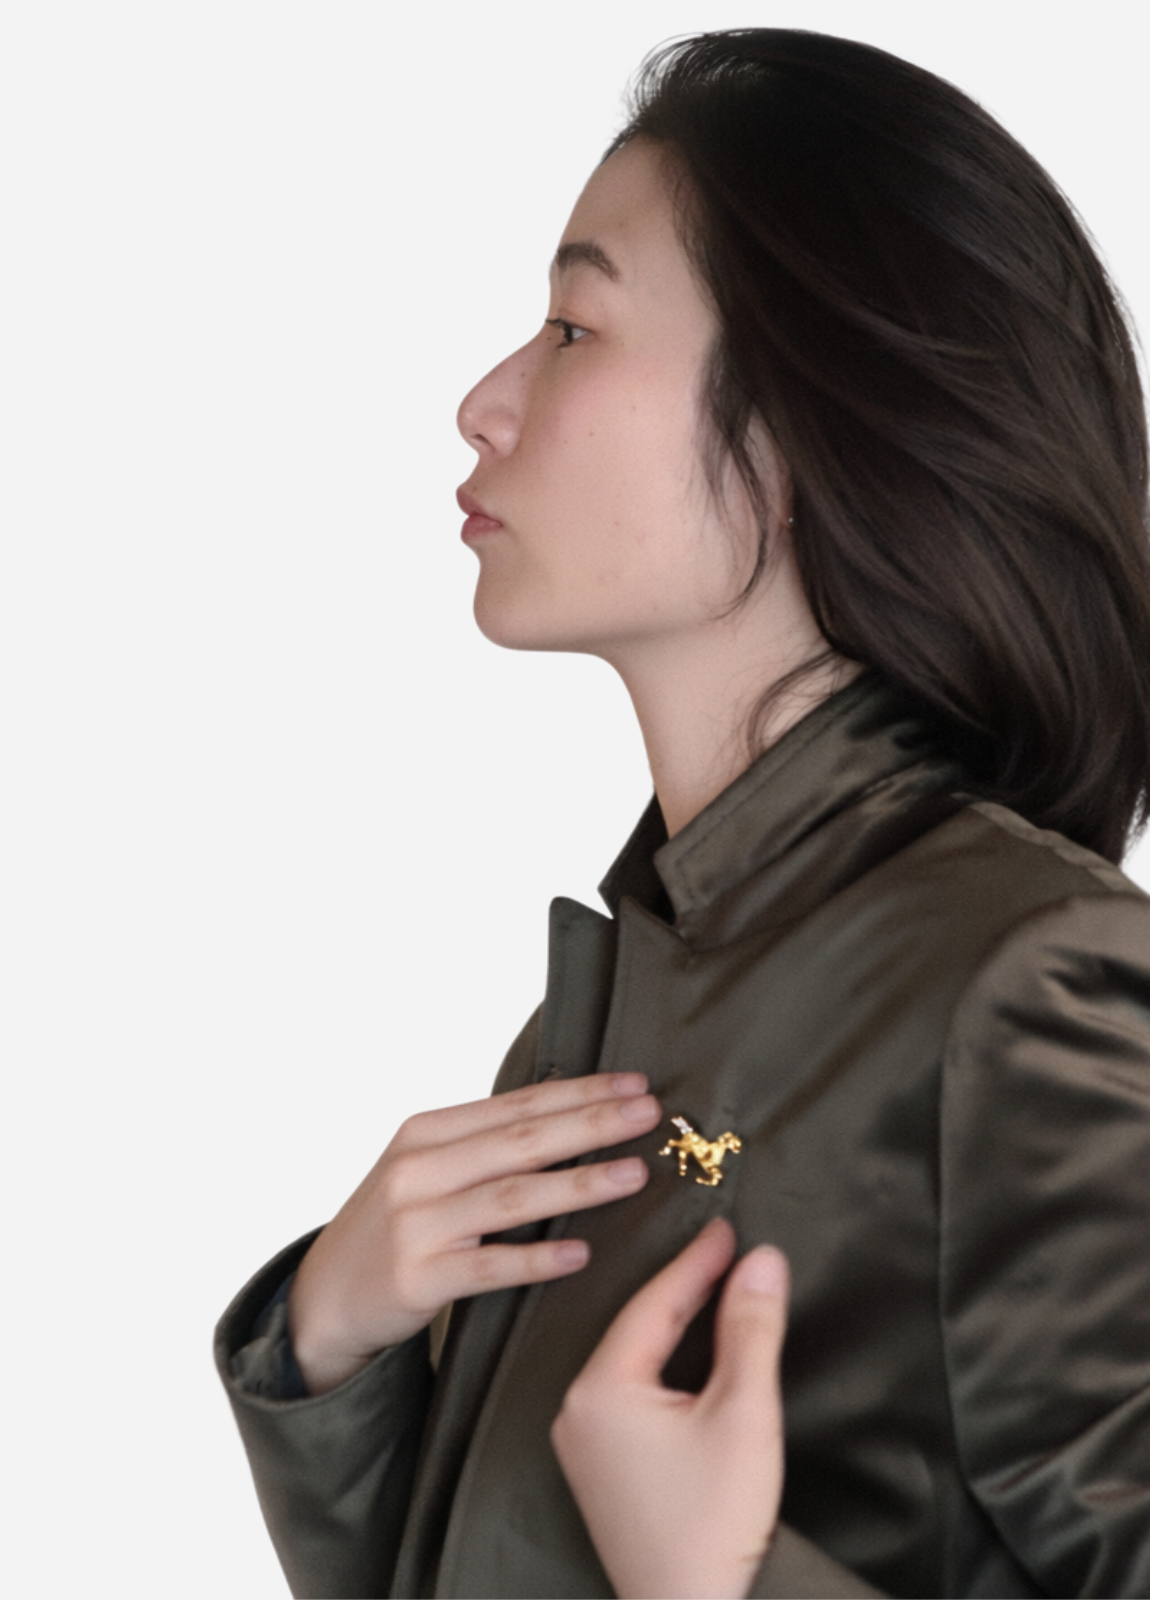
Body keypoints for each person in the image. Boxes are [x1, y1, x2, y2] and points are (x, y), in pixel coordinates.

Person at [215, 28, 1150, 1598]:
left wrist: (726, 1581)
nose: (483, 403)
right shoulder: (603, 1019)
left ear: (806, 431)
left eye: (574, 327)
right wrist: (334, 1355)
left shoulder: (1029, 979)